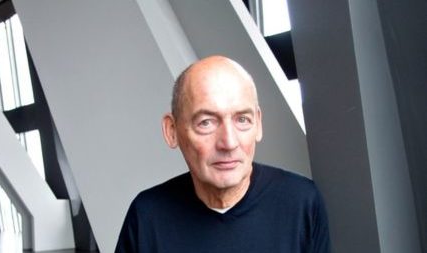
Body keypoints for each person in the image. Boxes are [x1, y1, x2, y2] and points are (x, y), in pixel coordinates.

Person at [115, 55, 330, 253]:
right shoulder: (147, 216)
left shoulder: (301, 203)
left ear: (258, 124)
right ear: (172, 131)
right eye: (206, 122)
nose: (228, 142)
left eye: (242, 120)